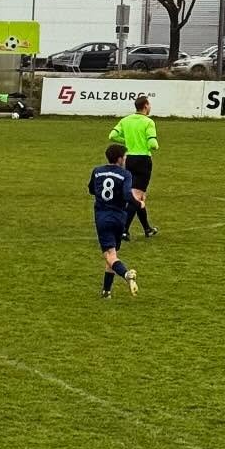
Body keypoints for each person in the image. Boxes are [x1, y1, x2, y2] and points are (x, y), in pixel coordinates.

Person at [89, 142, 138, 299]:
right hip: (119, 218)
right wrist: (139, 203)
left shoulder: (97, 172)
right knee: (113, 253)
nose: (125, 159)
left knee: (110, 255)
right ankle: (106, 291)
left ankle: (126, 275)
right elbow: (126, 195)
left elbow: (91, 189)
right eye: (124, 157)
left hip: (103, 217)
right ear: (119, 159)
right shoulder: (125, 174)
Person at [109, 95, 159, 241]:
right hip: (143, 160)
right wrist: (153, 144)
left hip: (128, 159)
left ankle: (147, 229)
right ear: (145, 106)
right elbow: (152, 145)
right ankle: (123, 230)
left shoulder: (125, 120)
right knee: (136, 197)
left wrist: (127, 141)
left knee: (139, 196)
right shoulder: (148, 122)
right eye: (149, 105)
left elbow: (112, 136)